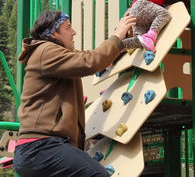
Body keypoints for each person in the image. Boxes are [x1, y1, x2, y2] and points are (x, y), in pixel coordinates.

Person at [13, 10, 136, 177]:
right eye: (68, 27)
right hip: (42, 146)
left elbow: (92, 57)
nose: (73, 32)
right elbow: (89, 62)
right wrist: (117, 35)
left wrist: (121, 42)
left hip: (37, 150)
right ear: (54, 33)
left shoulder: (56, 54)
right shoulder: (45, 51)